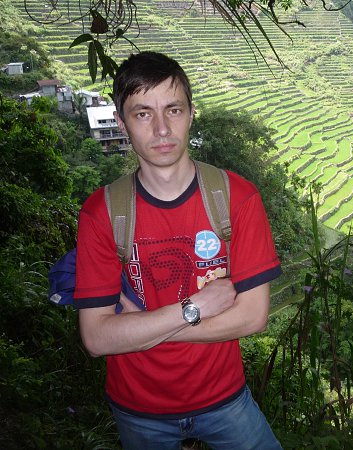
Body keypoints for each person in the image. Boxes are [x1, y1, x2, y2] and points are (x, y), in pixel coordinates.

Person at [74, 51, 283, 450]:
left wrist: (141, 331)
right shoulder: (102, 213)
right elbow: (97, 339)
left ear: (190, 114)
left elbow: (253, 317)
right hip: (138, 408)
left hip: (225, 398)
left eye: (173, 110)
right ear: (121, 122)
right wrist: (195, 308)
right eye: (143, 114)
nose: (161, 128)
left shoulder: (237, 198)